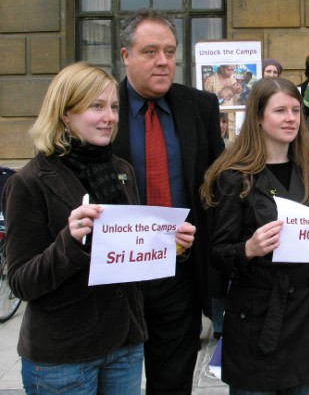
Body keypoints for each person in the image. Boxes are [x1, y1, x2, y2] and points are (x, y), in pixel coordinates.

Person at [2, 62, 195, 394]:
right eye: (97, 106)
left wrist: (167, 245)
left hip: (125, 345)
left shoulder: (122, 170)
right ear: (65, 113)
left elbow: (127, 256)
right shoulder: (30, 182)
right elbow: (21, 283)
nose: (110, 116)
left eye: (114, 107)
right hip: (64, 355)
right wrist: (70, 241)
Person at [200, 77, 309, 394]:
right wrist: (248, 248)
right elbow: (217, 254)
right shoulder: (234, 177)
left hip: (305, 319)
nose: (291, 118)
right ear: (259, 118)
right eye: (280, 111)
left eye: (295, 110)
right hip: (257, 320)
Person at [114, 8, 224, 394]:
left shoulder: (200, 106)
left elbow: (218, 183)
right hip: (118, 276)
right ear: (125, 55)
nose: (163, 61)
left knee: (173, 383)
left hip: (180, 272)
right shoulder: (100, 109)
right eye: (150, 52)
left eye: (170, 51)